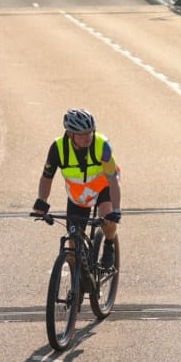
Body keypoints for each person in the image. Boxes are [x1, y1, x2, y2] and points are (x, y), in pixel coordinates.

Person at [32, 109, 122, 270]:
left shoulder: (102, 146)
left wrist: (116, 210)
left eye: (89, 133)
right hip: (79, 196)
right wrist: (41, 202)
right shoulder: (58, 148)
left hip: (103, 187)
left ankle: (109, 245)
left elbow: (113, 180)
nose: (87, 137)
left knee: (107, 218)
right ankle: (77, 287)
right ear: (69, 134)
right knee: (73, 244)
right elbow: (47, 177)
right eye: (81, 134)